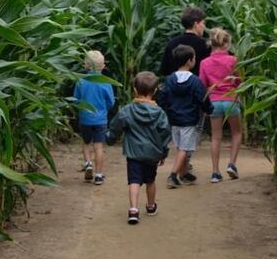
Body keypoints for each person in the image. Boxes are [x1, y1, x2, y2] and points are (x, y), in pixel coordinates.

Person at [106, 71, 172, 225]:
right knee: (150, 180)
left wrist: (109, 138)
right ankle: (150, 206)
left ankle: (133, 209)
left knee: (134, 181)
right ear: (155, 91)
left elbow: (116, 127)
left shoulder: (127, 111)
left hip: (134, 154)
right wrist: (163, 153)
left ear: (135, 90)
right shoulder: (160, 113)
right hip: (152, 154)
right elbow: (165, 134)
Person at [158, 44, 212, 189]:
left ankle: (184, 173)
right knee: (185, 148)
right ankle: (173, 175)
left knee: (180, 147)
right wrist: (209, 109)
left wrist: (165, 110)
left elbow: (162, 97)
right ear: (190, 61)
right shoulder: (195, 81)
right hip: (189, 120)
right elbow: (203, 98)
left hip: (174, 119)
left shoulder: (169, 80)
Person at [199, 28, 242, 182]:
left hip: (214, 101)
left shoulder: (204, 62)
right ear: (226, 44)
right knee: (236, 133)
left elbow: (202, 84)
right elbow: (239, 81)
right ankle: (232, 164)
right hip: (231, 100)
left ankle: (215, 172)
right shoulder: (233, 60)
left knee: (216, 137)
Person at [73, 50, 115, 185]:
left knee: (86, 143)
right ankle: (98, 175)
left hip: (85, 118)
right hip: (100, 119)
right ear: (102, 66)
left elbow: (75, 100)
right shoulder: (105, 82)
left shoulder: (81, 81)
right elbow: (111, 102)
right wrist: (104, 110)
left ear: (85, 65)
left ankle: (88, 164)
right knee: (98, 146)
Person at [159, 6, 210, 76]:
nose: (204, 26)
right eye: (203, 23)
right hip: (197, 85)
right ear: (196, 24)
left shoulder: (172, 43)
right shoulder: (205, 44)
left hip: (174, 84)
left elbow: (164, 70)